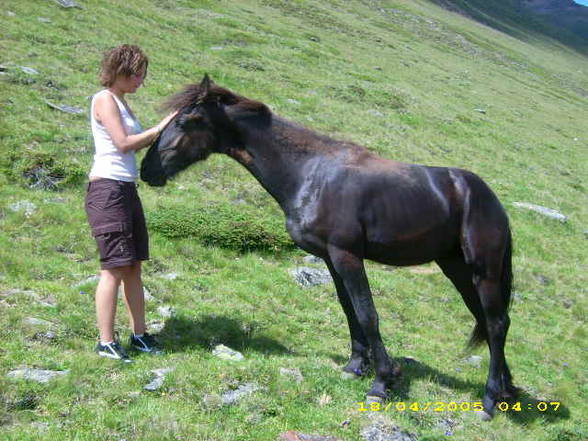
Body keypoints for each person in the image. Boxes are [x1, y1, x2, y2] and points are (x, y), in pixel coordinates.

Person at [85, 44, 176, 362]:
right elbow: (123, 144)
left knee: (133, 265)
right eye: (137, 74)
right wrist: (160, 128)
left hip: (125, 189)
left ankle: (140, 335)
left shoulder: (122, 102)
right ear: (121, 72)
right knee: (114, 268)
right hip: (107, 190)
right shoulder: (104, 99)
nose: (141, 80)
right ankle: (106, 341)